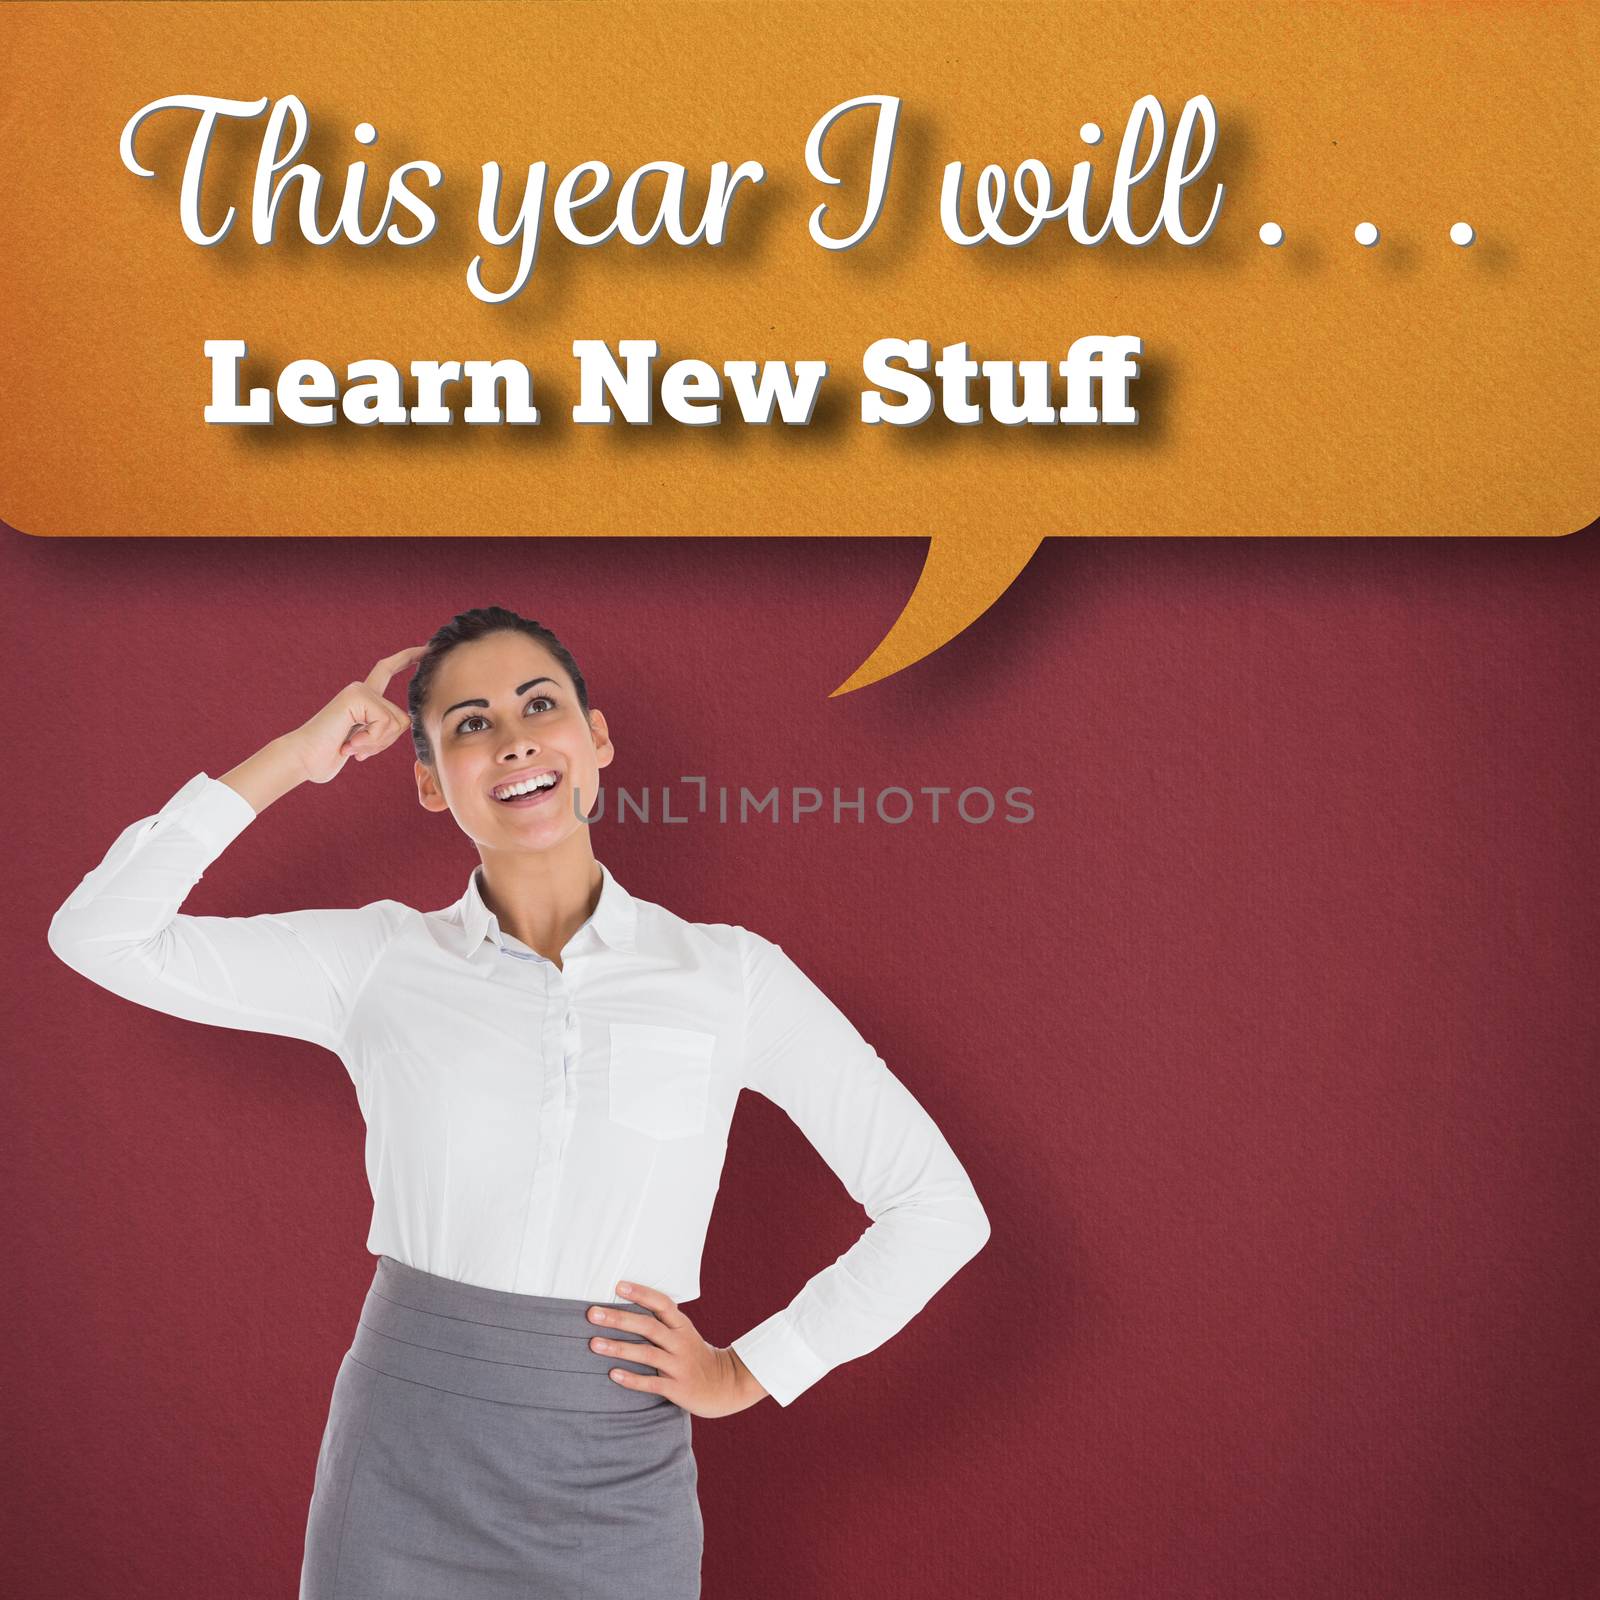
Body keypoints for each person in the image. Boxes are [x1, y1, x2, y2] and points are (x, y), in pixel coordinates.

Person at [46, 605, 992, 1598]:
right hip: (403, 1459)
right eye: (468, 724)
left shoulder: (732, 975)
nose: (513, 738)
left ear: (596, 740)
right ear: (426, 780)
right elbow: (99, 935)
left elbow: (936, 1208)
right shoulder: (376, 960)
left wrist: (751, 1369)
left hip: (618, 1480)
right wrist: (296, 753)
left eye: (539, 705)